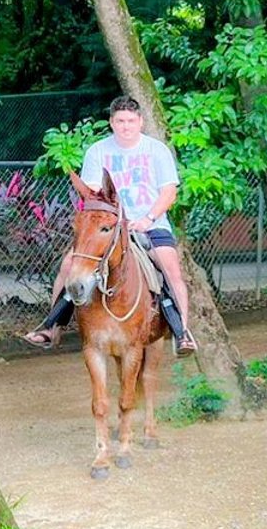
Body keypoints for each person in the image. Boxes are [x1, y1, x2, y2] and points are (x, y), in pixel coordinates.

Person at [23, 95, 199, 356]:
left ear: (140, 121)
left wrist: (146, 219)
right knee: (70, 264)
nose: (125, 126)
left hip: (148, 224)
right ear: (111, 123)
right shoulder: (98, 151)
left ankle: (182, 333)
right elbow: (93, 191)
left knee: (170, 268)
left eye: (130, 120)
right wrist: (110, 218)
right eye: (120, 121)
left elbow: (168, 193)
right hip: (108, 228)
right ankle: (52, 326)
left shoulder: (156, 150)